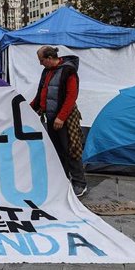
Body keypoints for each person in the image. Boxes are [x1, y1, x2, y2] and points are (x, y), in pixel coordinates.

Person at [30, 46, 87, 197]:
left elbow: (71, 96)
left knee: (72, 149)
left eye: (41, 60)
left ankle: (80, 183)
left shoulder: (68, 71)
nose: (40, 64)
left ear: (49, 58)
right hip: (51, 117)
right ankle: (63, 179)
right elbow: (41, 93)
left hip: (65, 119)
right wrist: (28, 109)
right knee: (57, 151)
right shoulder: (47, 71)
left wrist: (61, 117)